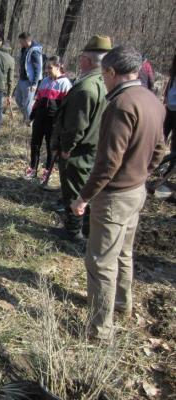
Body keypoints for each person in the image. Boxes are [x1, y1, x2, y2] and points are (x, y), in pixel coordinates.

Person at [70, 46, 166, 341]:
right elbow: (161, 148)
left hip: (114, 196)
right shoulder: (152, 100)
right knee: (123, 253)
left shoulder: (121, 105)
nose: (104, 80)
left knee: (100, 262)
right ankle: (122, 303)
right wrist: (143, 173)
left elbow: (108, 162)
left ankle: (99, 330)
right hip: (137, 191)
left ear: (112, 72)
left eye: (104, 75)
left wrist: (83, 197)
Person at [50, 35, 112, 242]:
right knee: (86, 189)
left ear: (87, 60)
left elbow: (76, 125)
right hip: (94, 147)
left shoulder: (86, 88)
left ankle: (73, 232)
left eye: (81, 58)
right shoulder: (104, 83)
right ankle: (87, 228)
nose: (79, 61)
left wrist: (66, 148)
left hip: (79, 151)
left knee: (74, 190)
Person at [25, 56, 72, 183]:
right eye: (46, 67)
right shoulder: (44, 81)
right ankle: (32, 169)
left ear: (58, 67)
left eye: (50, 68)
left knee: (50, 146)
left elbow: (67, 107)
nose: (47, 70)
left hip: (53, 121)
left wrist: (63, 124)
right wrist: (31, 117)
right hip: (40, 117)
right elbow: (37, 101)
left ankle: (47, 171)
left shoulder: (65, 84)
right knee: (35, 143)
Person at [14, 32, 43, 124]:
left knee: (27, 104)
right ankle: (27, 117)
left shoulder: (34, 51)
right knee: (18, 99)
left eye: (21, 41)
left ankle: (29, 122)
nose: (20, 43)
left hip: (29, 81)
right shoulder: (24, 49)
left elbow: (37, 69)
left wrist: (34, 83)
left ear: (26, 40)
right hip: (22, 79)